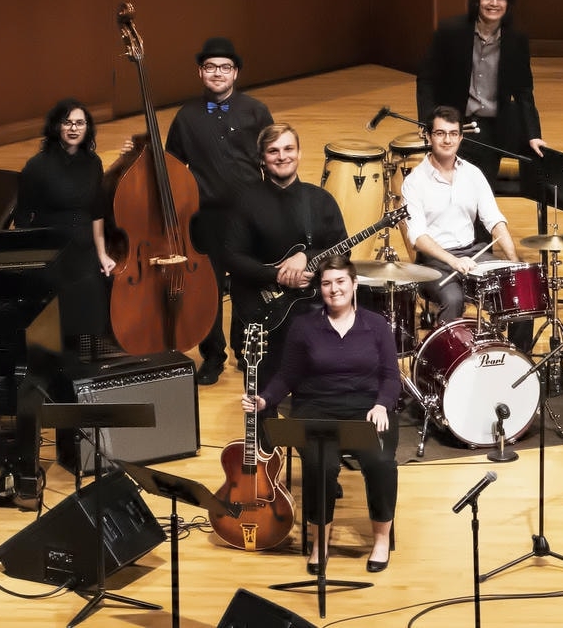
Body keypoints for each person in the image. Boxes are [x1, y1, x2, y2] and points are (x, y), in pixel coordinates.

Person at [244, 256, 399, 573]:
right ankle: (320, 544)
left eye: (341, 281)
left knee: (381, 463)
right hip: (317, 409)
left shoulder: (376, 325)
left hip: (366, 410)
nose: (334, 289)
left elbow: (391, 376)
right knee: (320, 465)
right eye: (327, 283)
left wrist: (382, 404)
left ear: (354, 285)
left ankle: (381, 540)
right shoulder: (304, 326)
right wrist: (265, 399)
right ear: (321, 289)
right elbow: (288, 375)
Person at [164, 36, 276, 384]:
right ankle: (212, 355)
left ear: (235, 73)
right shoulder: (186, 116)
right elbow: (171, 166)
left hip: (247, 213)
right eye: (210, 67)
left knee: (247, 282)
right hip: (205, 216)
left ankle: (247, 353)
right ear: (200, 72)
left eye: (224, 67)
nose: (217, 73)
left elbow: (273, 158)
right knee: (208, 288)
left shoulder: (256, 111)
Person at [215, 123, 348, 378]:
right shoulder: (245, 202)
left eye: (289, 148)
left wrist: (306, 257)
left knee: (313, 391)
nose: (282, 156)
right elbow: (231, 257)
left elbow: (342, 253)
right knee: (264, 396)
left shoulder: (320, 200)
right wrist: (276, 275)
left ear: (299, 154)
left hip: (313, 310)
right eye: (273, 151)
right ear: (262, 159)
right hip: (261, 312)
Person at [417, 0, 546, 183]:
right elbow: (426, 79)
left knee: (477, 186)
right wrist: (427, 121)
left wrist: (533, 135)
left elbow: (524, 91)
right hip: (455, 120)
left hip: (492, 127)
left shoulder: (516, 41)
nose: (493, 3)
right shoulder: (451, 32)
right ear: (478, 0)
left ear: (507, 3)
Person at [403, 106, 523, 329]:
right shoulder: (414, 182)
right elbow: (418, 237)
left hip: (473, 253)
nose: (447, 140)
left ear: (460, 137)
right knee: (453, 298)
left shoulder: (473, 174)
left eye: (453, 134)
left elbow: (495, 221)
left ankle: (519, 357)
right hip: (434, 261)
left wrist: (514, 262)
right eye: (440, 133)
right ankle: (449, 361)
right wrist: (454, 261)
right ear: (428, 136)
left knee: (516, 290)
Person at [14, 99, 115, 344]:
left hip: (84, 249)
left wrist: (102, 254)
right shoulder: (37, 166)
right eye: (67, 122)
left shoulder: (93, 163)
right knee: (58, 321)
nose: (73, 128)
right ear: (57, 127)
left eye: (80, 123)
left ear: (87, 128)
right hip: (52, 251)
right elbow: (23, 216)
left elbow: (97, 211)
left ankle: (88, 359)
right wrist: (31, 258)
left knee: (92, 310)